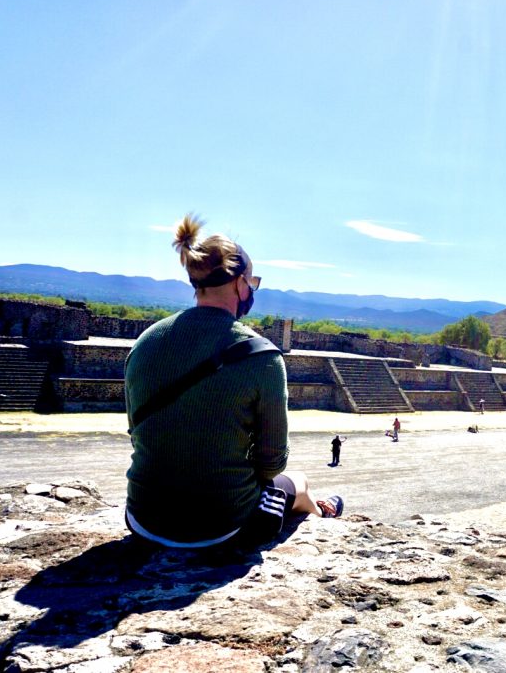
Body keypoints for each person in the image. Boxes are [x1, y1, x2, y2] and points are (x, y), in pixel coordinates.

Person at [124, 215, 342, 550]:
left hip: (144, 517)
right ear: (240, 284)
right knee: (298, 481)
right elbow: (272, 462)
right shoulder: (260, 356)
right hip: (220, 526)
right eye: (252, 283)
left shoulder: (145, 343)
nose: (251, 290)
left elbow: (138, 434)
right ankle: (324, 516)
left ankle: (322, 509)